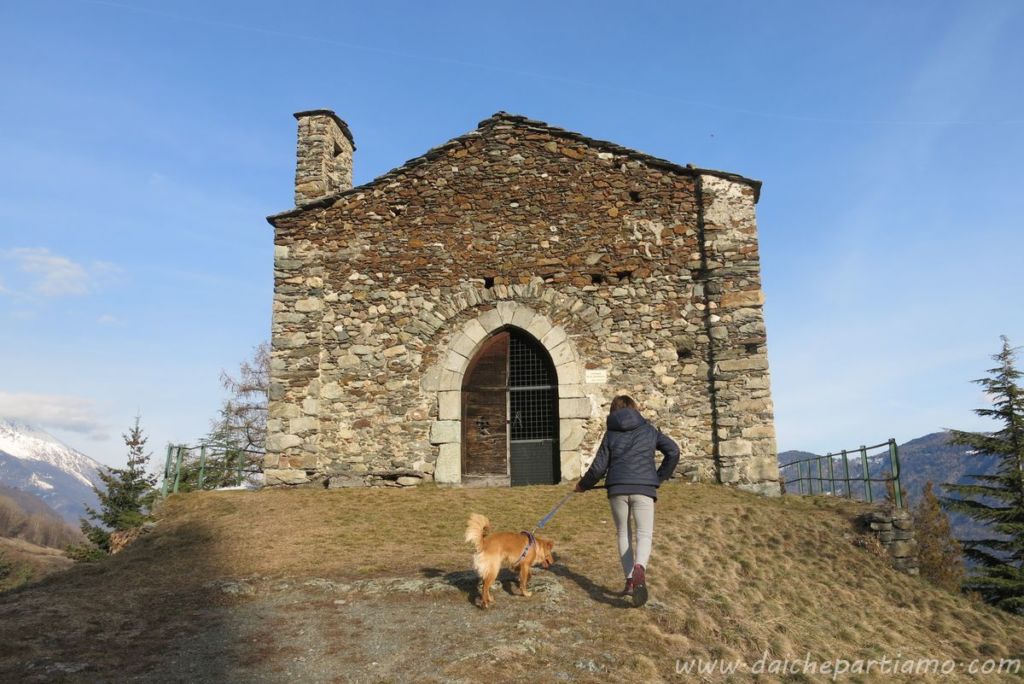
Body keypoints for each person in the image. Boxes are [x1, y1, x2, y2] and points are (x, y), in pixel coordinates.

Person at [574, 395, 680, 607]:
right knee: (644, 534)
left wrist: (583, 485)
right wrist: (658, 478)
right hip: (644, 488)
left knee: (623, 533)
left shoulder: (611, 434)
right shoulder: (649, 430)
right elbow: (674, 451)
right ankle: (641, 567)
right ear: (635, 408)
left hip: (617, 489)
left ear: (613, 411)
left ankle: (631, 580)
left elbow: (598, 467)